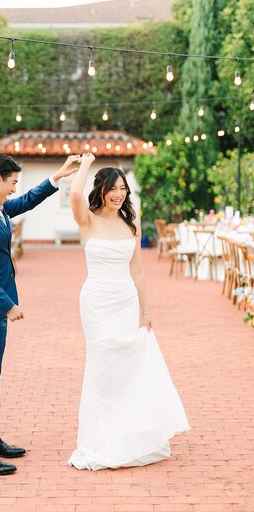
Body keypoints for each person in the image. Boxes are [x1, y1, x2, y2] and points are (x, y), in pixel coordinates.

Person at [0, 152, 79, 476]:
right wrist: (7, 305)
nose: (14, 189)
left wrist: (59, 176)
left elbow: (26, 201)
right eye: (11, 182)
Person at [67, 153, 190, 470]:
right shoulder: (88, 219)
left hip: (125, 300)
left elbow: (137, 271)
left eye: (123, 187)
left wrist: (146, 310)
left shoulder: (131, 223)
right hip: (96, 301)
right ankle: (100, 438)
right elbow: (74, 194)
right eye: (113, 188)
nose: (118, 193)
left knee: (126, 366)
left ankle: (127, 434)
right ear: (102, 190)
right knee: (102, 365)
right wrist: (85, 163)